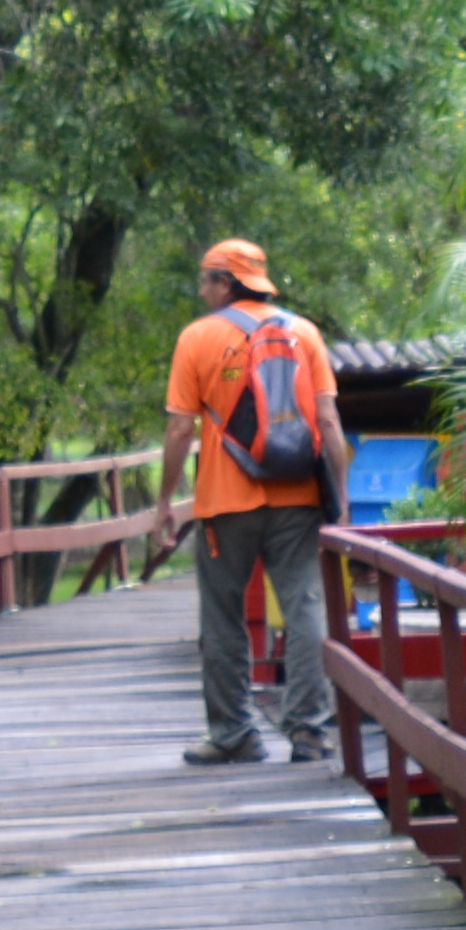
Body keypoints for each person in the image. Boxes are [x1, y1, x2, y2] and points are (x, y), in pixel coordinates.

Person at [158, 238, 350, 761]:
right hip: (298, 497)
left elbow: (179, 431)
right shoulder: (303, 332)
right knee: (305, 608)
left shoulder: (197, 338)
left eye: (206, 280)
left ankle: (235, 735)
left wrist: (164, 504)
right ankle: (309, 731)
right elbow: (329, 422)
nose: (201, 290)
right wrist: (344, 501)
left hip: (225, 502)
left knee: (222, 617)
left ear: (226, 281)